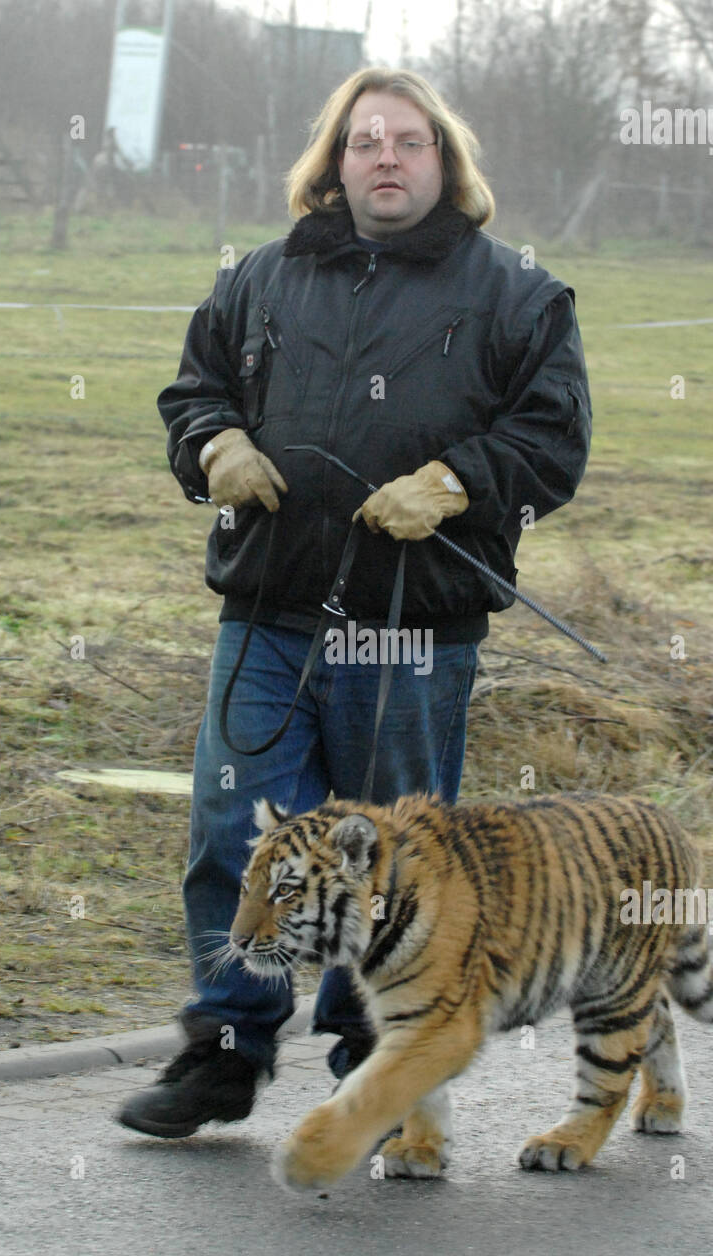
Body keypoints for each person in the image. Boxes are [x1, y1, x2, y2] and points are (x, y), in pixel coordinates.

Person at [117, 67, 591, 1139]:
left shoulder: (514, 292)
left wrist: (456, 482)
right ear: (334, 160)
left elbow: (553, 437)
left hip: (412, 632)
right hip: (266, 619)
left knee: (385, 860)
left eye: (408, 141)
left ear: (443, 160)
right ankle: (222, 1052)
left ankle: (371, 1062)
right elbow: (194, 387)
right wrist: (216, 444)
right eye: (364, 140)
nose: (385, 156)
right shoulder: (261, 279)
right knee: (233, 834)